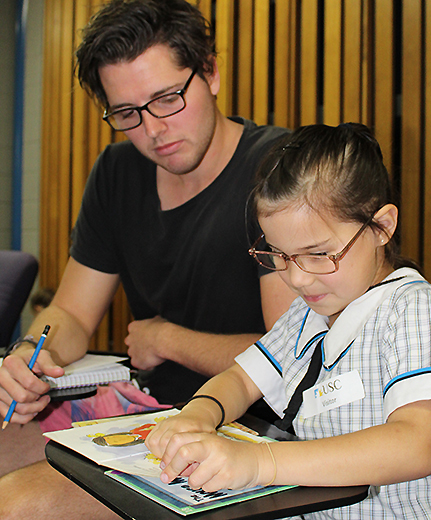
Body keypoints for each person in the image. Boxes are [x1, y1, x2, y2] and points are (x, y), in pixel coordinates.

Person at [0, 1, 295, 518]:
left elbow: (290, 357)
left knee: (18, 504)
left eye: (167, 99)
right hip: (142, 411)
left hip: (247, 433)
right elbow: (69, 315)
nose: (154, 129)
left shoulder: (277, 172)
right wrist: (31, 351)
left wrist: (167, 339)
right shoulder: (118, 174)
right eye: (128, 113)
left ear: (210, 72)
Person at [145, 123, 431, 519]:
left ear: (382, 226)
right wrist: (197, 415)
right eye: (278, 255)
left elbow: (415, 445)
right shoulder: (309, 313)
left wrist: (262, 463)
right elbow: (241, 378)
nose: (296, 278)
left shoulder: (412, 310)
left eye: (318, 255)